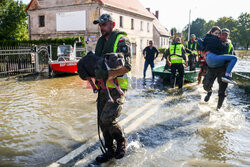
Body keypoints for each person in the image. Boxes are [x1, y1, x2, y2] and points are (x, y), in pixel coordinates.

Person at [93, 14, 131, 163]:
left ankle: (121, 141)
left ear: (112, 24)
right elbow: (96, 63)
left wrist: (108, 74)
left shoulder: (121, 40)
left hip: (118, 87)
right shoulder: (101, 42)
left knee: (107, 118)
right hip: (103, 88)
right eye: (100, 25)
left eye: (104, 24)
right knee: (101, 122)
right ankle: (110, 150)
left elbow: (127, 66)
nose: (101, 27)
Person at [203, 28, 236, 109]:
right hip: (212, 68)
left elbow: (233, 57)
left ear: (228, 36)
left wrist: (228, 73)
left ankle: (218, 108)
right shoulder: (214, 40)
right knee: (206, 86)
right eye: (223, 34)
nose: (224, 36)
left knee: (222, 91)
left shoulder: (230, 45)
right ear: (220, 34)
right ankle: (209, 92)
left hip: (223, 70)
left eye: (226, 35)